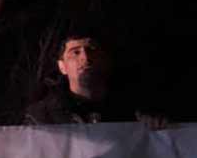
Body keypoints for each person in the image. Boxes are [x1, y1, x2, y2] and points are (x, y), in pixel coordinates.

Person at [24, 33, 167, 127]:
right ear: (62, 67)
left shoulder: (135, 112)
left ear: (106, 61)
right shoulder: (41, 117)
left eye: (92, 50)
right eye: (75, 52)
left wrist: (156, 129)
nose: (85, 58)